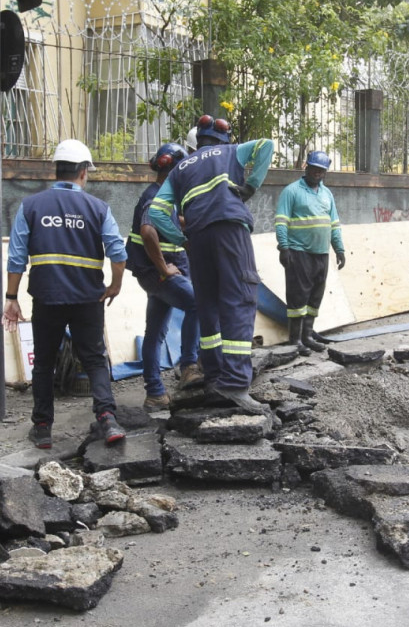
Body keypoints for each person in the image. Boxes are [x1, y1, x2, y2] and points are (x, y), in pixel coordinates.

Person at [2, 139, 128, 449]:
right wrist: (115, 285)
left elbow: (17, 256)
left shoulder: (30, 206)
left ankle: (43, 428)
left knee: (44, 362)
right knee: (96, 359)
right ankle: (107, 419)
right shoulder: (98, 208)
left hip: (47, 296)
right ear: (84, 172)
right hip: (88, 298)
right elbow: (118, 252)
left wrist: (11, 297)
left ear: (56, 171)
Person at [147, 115, 274, 413]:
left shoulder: (180, 169)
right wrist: (251, 186)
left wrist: (180, 239)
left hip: (198, 237)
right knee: (240, 298)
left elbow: (156, 213)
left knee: (208, 305)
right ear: (223, 137)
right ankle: (235, 383)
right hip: (229, 229)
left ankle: (215, 378)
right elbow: (266, 145)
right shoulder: (232, 152)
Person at [128, 142, 203, 410]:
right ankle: (189, 366)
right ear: (173, 170)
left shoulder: (163, 196)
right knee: (198, 303)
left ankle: (155, 394)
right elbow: (148, 232)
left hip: (152, 275)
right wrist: (163, 268)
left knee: (155, 332)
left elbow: (166, 222)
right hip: (158, 275)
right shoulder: (156, 197)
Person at [274, 150, 346, 356]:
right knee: (298, 297)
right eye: (314, 168)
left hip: (321, 253)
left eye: (321, 170)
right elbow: (281, 221)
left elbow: (334, 224)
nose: (317, 173)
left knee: (315, 298)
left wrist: (339, 248)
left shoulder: (326, 194)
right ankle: (295, 340)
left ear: (325, 172)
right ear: (307, 167)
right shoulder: (292, 191)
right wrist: (284, 247)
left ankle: (307, 336)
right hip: (299, 252)